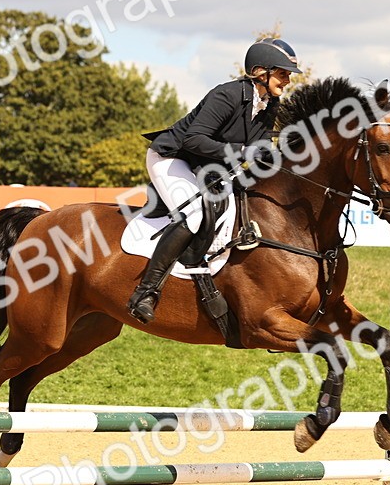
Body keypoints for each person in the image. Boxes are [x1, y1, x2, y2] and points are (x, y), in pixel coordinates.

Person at [127, 38, 298, 323]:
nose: (288, 80)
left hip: (210, 165)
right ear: (260, 72)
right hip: (173, 157)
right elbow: (194, 139)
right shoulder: (227, 95)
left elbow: (258, 146)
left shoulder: (270, 103)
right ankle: (145, 292)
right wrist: (242, 151)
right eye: (282, 74)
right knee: (194, 214)